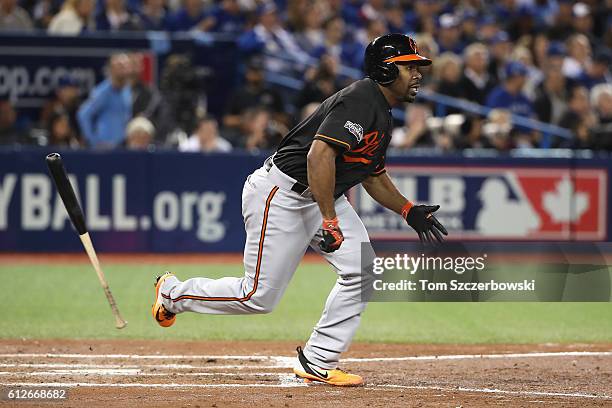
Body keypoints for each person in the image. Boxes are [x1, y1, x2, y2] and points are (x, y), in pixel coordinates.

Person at [152, 33, 447, 386]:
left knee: (362, 270)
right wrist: (329, 219)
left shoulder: (381, 111)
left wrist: (407, 209)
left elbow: (371, 174)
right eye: (408, 67)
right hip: (282, 195)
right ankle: (173, 294)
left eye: (417, 67)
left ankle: (318, 359)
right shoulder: (360, 100)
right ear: (385, 71)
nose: (417, 74)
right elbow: (318, 156)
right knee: (256, 297)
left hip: (320, 195)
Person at [77, 53, 132, 148]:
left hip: (122, 146)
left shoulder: (127, 90)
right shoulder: (102, 92)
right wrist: (93, 141)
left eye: (125, 66)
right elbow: (83, 115)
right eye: (119, 66)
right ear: (111, 69)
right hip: (104, 147)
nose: (123, 70)